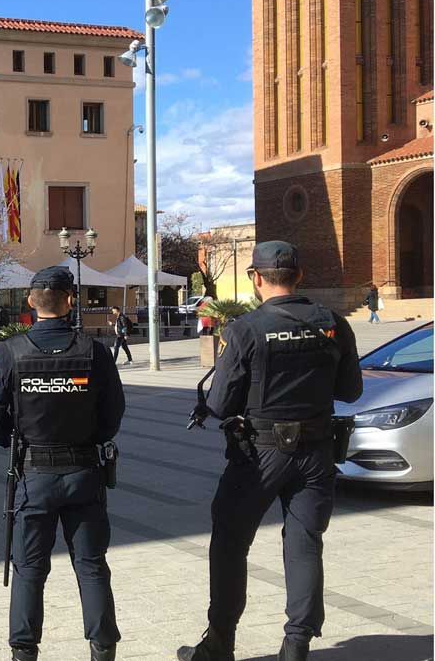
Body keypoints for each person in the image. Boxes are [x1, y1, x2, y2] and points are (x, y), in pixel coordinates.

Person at [178, 241, 362, 661]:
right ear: (299, 275)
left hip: (258, 454)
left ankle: (220, 641)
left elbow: (221, 404)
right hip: (316, 451)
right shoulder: (333, 323)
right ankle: (296, 644)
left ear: (256, 278)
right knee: (304, 544)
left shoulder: (244, 329)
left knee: (229, 543)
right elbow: (351, 390)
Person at [0, 266, 125, 661]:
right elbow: (113, 415)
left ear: (30, 302)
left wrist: (23, 441)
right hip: (83, 472)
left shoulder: (10, 352)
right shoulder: (93, 351)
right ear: (71, 301)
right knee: (91, 565)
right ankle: (102, 648)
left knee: (29, 569)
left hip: (34, 475)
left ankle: (24, 651)